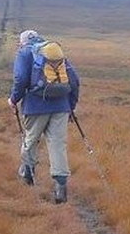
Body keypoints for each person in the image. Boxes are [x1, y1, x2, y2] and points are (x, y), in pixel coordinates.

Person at [8, 30, 80, 204]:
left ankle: (27, 175)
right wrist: (71, 106)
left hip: (35, 107)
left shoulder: (25, 53)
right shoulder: (54, 53)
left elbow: (20, 78)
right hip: (61, 107)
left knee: (31, 140)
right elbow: (74, 81)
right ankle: (60, 189)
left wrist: (13, 99)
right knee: (57, 145)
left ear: (22, 42)